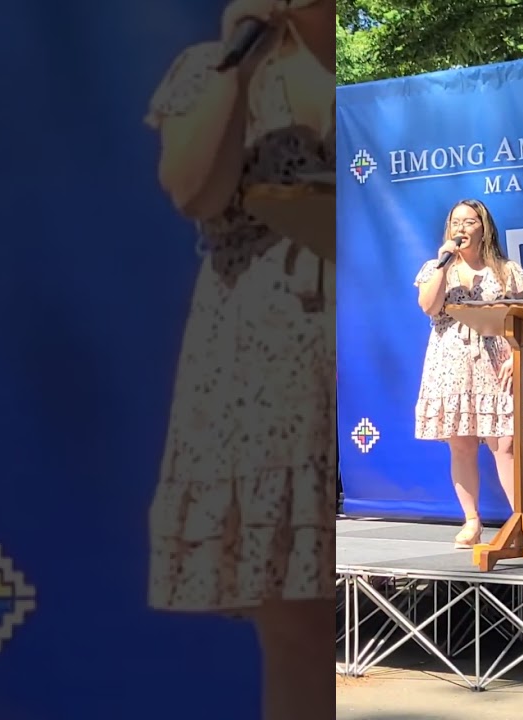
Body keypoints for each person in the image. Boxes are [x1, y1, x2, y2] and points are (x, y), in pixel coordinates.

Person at [143, 1, 336, 718]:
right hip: (265, 364)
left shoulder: (376, 62)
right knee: (296, 624)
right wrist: (240, 66)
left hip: (369, 344)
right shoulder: (214, 65)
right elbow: (191, 189)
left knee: (359, 607)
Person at [413, 199, 523, 548]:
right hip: (450, 362)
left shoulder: (507, 271)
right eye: (455, 222)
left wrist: (517, 355)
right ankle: (472, 520)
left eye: (469, 222)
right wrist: (443, 263)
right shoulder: (437, 267)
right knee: (461, 444)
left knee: (506, 442)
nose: (461, 228)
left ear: (484, 228)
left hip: (496, 361)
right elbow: (428, 306)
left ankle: (520, 523)